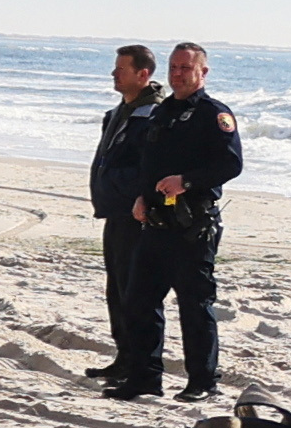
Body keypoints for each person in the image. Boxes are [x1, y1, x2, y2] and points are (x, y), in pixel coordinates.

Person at [123, 39, 245, 402]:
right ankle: (145, 379)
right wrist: (142, 196)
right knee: (140, 301)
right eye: (173, 68)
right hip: (156, 224)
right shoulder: (162, 112)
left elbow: (230, 164)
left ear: (202, 72)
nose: (177, 74)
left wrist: (186, 181)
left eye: (185, 68)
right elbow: (151, 163)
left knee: (195, 305)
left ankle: (202, 383)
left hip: (193, 227)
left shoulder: (214, 114)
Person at [85, 42, 162, 398]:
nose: (114, 74)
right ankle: (124, 356)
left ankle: (139, 365)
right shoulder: (122, 109)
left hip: (136, 214)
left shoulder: (152, 114)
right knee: (116, 288)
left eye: (121, 69)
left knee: (135, 293)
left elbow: (149, 167)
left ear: (142, 74)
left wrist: (126, 190)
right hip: (115, 212)